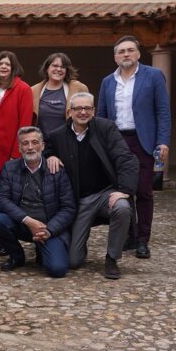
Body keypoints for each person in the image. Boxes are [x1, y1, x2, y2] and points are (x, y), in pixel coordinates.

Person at [45, 92, 139, 279]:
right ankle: (79, 244)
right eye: (78, 108)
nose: (83, 112)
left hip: (105, 194)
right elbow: (46, 149)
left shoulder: (106, 128)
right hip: (79, 200)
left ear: (93, 110)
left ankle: (112, 258)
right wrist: (50, 156)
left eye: (87, 108)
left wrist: (124, 190)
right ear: (69, 111)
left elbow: (126, 159)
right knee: (73, 261)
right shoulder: (57, 135)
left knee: (122, 208)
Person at [97, 35, 171, 259]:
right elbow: (101, 114)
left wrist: (163, 141)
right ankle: (129, 235)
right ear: (115, 57)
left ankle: (142, 240)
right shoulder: (107, 81)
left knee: (143, 191)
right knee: (121, 191)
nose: (126, 54)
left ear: (138, 54)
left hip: (143, 140)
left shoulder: (154, 76)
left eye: (130, 50)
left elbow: (163, 112)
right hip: (117, 141)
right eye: (121, 51)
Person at [0, 126, 76, 278]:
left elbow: (68, 208)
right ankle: (17, 256)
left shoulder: (57, 170)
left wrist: (49, 230)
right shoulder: (10, 168)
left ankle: (42, 248)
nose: (30, 147)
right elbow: (2, 200)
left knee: (58, 269)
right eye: (25, 143)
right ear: (19, 147)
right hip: (23, 223)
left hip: (48, 227)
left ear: (42, 145)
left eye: (34, 142)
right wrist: (28, 221)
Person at [0, 51, 34, 204]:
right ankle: (1, 222)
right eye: (0, 63)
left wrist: (17, 153)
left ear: (13, 68)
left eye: (7, 64)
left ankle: (12, 222)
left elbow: (25, 123)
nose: (3, 66)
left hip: (9, 150)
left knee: (10, 190)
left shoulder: (23, 89)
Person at [31, 52, 89, 138]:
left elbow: (89, 115)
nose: (59, 69)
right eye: (55, 66)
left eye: (62, 67)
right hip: (41, 144)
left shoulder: (79, 88)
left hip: (69, 142)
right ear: (47, 68)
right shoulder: (33, 90)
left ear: (67, 70)